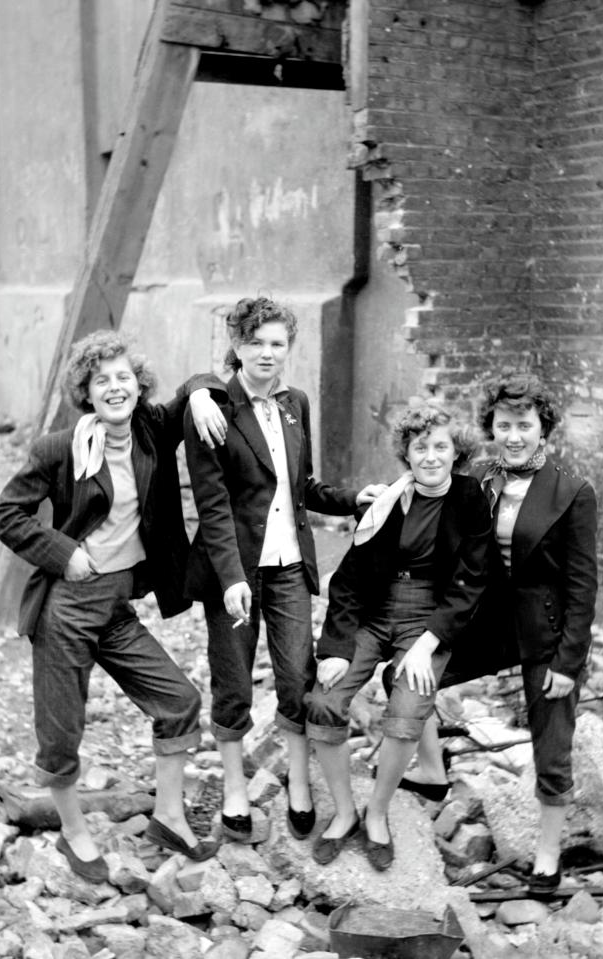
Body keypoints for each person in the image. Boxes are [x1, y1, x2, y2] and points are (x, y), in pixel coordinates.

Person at [0, 330, 228, 881]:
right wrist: (62, 553)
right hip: (69, 606)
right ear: (87, 391)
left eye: (124, 377)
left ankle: (169, 816)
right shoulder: (59, 447)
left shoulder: (151, 428)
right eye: (103, 380)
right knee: (60, 734)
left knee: (179, 700)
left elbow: (204, 380)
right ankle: (74, 830)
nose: (116, 387)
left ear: (138, 384)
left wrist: (195, 395)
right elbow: (8, 515)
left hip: (117, 605)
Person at [182, 296, 384, 844]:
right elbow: (213, 504)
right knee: (233, 679)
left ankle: (298, 781)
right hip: (236, 572)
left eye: (278, 344)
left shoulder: (296, 404)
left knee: (298, 675)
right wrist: (230, 580)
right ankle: (233, 790)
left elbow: (303, 488)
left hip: (291, 566)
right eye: (257, 343)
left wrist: (352, 499)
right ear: (237, 347)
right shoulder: (212, 408)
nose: (268, 354)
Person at [402, 370, 598, 896]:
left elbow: (583, 586)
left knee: (551, 747)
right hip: (486, 625)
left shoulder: (572, 491)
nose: (514, 436)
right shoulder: (483, 480)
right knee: (407, 679)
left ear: (544, 429)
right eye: (504, 425)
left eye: (525, 426)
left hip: (545, 635)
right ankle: (430, 769)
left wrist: (568, 664)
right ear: (492, 427)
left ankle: (547, 857)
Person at [304, 404, 493, 870]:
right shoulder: (387, 501)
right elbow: (347, 582)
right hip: (373, 612)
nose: (430, 457)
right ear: (406, 454)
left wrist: (429, 642)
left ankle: (378, 812)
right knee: (325, 699)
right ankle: (346, 810)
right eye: (420, 447)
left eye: (440, 447)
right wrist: (334, 650)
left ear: (457, 451)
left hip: (429, 618)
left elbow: (471, 580)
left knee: (409, 705)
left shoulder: (471, 498)